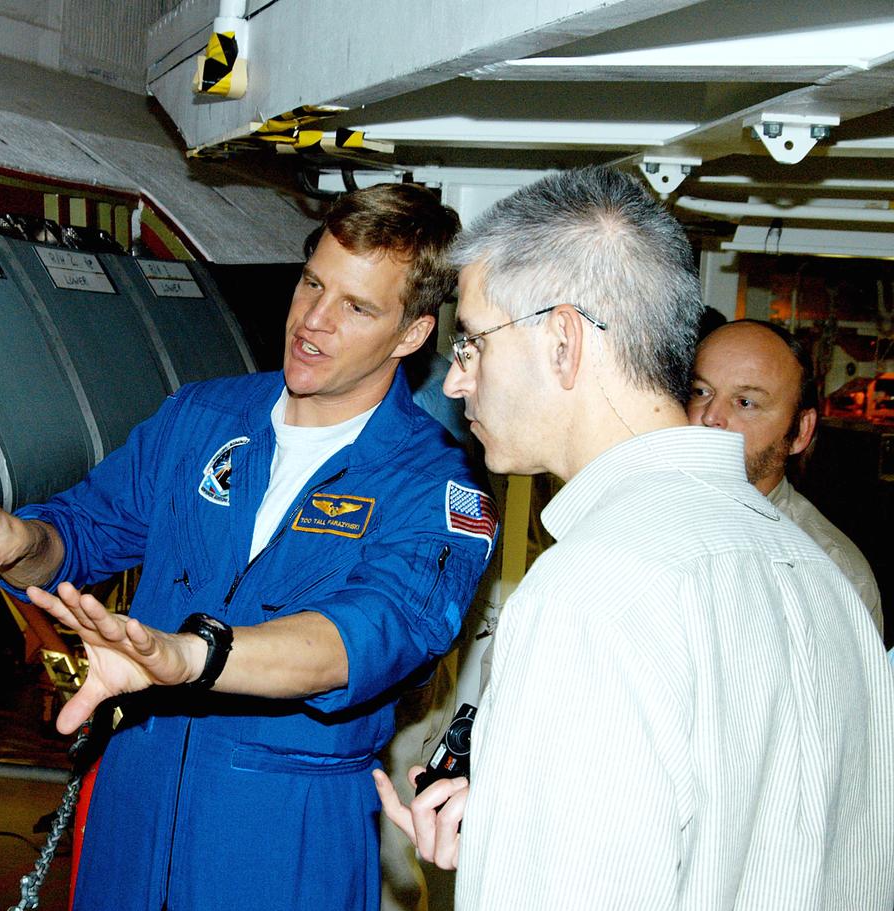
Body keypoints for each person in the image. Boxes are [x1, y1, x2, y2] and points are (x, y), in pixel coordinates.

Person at [0, 183, 495, 911]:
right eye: (313, 283)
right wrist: (20, 539)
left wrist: (192, 655)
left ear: (411, 335)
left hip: (286, 834)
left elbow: (368, 635)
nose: (312, 321)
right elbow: (82, 534)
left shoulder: (435, 484)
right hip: (133, 802)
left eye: (357, 307)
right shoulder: (202, 418)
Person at [375, 166, 894, 910]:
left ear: (562, 339)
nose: (457, 382)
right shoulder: (818, 574)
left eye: (473, 343)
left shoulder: (589, 595)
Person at [689, 319, 883, 637]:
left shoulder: (828, 574)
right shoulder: (643, 512)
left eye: (746, 402)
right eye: (701, 391)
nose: (710, 416)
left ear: (800, 432)